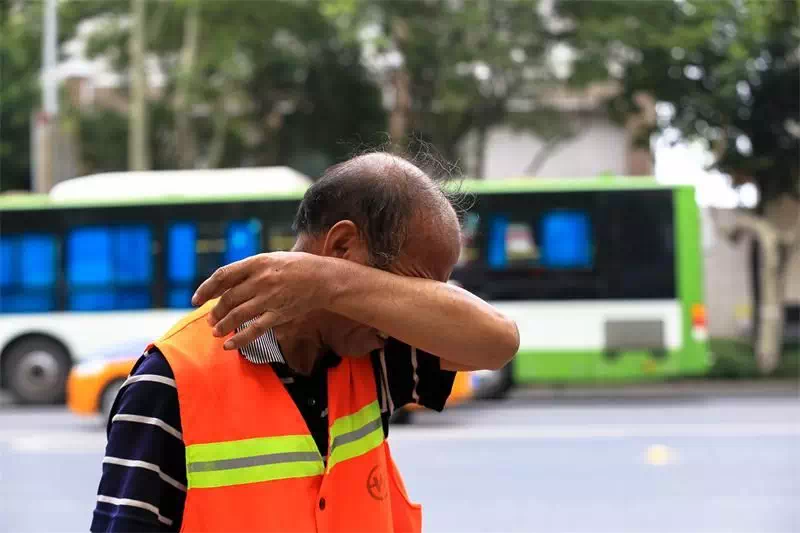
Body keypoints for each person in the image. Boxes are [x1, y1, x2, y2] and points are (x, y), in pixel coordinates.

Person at [91, 152, 519, 532]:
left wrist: (329, 282)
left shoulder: (373, 350)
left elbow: (498, 342)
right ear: (342, 245)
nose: (409, 312)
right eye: (408, 287)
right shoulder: (170, 381)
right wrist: (336, 282)